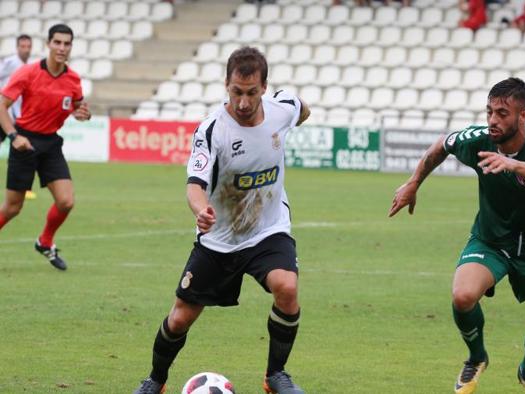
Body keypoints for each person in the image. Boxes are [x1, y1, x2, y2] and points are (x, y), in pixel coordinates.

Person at [133, 46, 311, 394]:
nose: (243, 103)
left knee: (287, 288)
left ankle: (275, 376)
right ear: (226, 85)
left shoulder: (283, 108)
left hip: (268, 229)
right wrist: (201, 210)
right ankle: (155, 379)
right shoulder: (212, 130)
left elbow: (301, 110)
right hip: (220, 237)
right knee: (180, 317)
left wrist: (298, 117)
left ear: (264, 87)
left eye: (251, 93)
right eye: (235, 92)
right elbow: (195, 185)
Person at [389, 78, 525, 394]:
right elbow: (441, 145)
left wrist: (512, 163)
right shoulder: (478, 139)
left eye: (502, 113)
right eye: (489, 112)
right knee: (463, 295)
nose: (493, 121)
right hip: (491, 240)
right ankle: (476, 357)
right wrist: (414, 182)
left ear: (522, 116)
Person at [0, 24, 91, 270]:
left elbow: (76, 107)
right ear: (48, 44)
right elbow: (2, 106)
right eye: (57, 42)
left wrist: (82, 114)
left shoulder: (73, 79)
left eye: (66, 43)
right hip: (25, 142)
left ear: (71, 46)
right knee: (12, 207)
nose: (62, 48)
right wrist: (13, 136)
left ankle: (45, 241)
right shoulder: (28, 73)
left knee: (66, 201)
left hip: (51, 143)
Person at [0, 34, 37, 200]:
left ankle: (21, 188)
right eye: (23, 46)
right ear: (17, 47)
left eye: (28, 46)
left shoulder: (28, 66)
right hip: (4, 114)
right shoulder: (11, 63)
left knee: (21, 151)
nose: (26, 49)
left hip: (18, 116)